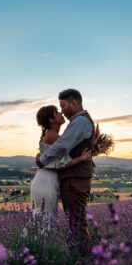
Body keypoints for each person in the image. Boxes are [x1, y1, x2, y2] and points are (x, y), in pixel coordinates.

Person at [35, 88, 96, 254]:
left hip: (75, 180)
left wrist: (43, 159)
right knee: (75, 222)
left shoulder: (80, 122)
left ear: (73, 103)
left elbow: (62, 146)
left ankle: (85, 261)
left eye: (63, 106)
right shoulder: (78, 122)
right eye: (59, 108)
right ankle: (83, 259)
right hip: (72, 179)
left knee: (76, 223)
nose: (62, 110)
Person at [30, 105, 92, 230]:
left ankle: (37, 247)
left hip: (45, 179)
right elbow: (62, 164)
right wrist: (81, 158)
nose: (61, 113)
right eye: (57, 112)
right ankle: (40, 246)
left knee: (44, 217)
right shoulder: (53, 136)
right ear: (52, 120)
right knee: (46, 217)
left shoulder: (53, 134)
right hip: (46, 181)